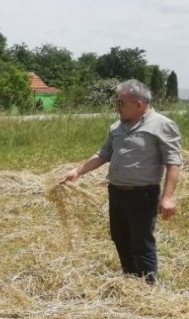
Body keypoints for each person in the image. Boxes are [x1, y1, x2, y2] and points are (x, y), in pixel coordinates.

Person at [60, 79, 182, 284]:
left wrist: (167, 197)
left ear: (138, 104)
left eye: (120, 103)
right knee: (120, 237)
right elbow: (103, 154)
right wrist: (77, 171)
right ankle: (130, 281)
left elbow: (173, 163)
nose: (117, 107)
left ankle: (148, 287)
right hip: (116, 192)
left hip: (142, 195)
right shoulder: (117, 127)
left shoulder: (162, 125)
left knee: (141, 242)